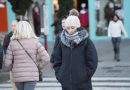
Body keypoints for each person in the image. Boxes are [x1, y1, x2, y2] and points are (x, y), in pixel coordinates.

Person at [52, 16, 98, 90]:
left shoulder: (86, 41)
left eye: (72, 27)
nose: (70, 30)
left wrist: (85, 75)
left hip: (83, 85)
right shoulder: (62, 42)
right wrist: (60, 75)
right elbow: (57, 60)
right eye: (68, 28)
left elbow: (93, 61)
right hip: (66, 85)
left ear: (78, 27)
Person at [4, 21, 50, 90]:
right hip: (31, 75)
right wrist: (38, 67)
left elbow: (7, 63)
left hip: (18, 76)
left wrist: (14, 69)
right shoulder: (35, 42)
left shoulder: (12, 43)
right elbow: (46, 58)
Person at [3, 20, 18, 90]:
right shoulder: (8, 37)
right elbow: (5, 46)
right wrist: (8, 55)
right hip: (12, 63)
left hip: (20, 62)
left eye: (14, 26)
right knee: (13, 81)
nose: (13, 27)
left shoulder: (21, 36)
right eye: (12, 26)